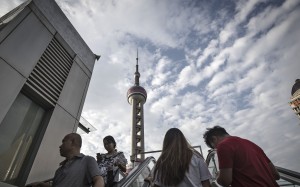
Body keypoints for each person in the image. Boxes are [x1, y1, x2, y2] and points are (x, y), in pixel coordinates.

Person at [203, 126, 280, 187]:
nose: (216, 149)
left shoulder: (223, 145)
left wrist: (218, 176)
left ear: (214, 139)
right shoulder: (252, 144)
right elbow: (276, 175)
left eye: (214, 147)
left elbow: (225, 181)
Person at [26, 133, 104, 187]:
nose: (60, 146)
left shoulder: (87, 160)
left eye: (63, 142)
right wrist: (41, 184)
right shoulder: (59, 170)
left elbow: (99, 179)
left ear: (73, 142)